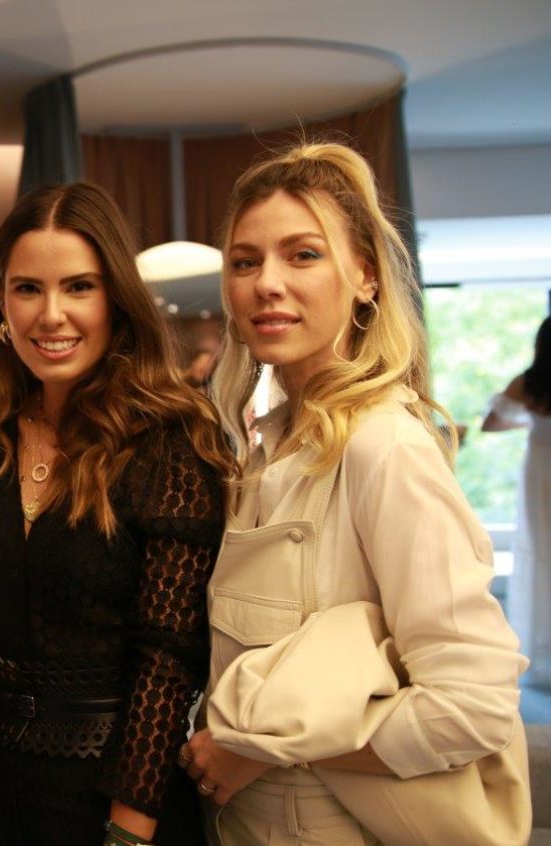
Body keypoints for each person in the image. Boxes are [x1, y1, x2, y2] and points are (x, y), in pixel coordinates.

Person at [184, 141, 528, 844]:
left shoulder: (383, 447)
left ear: (366, 276)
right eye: (245, 262)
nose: (266, 283)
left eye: (303, 255)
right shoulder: (266, 444)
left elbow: (473, 707)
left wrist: (267, 747)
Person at [0, 181, 233, 845]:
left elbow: (167, 661)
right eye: (28, 288)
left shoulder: (171, 440)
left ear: (116, 299)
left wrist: (130, 827)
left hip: (118, 794)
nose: (51, 315)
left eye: (79, 287)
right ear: (1, 301)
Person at [483, 316, 551, 687]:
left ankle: (543, 650)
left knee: (542, 556)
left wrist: (529, 419)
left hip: (542, 474)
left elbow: (491, 423)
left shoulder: (531, 383)